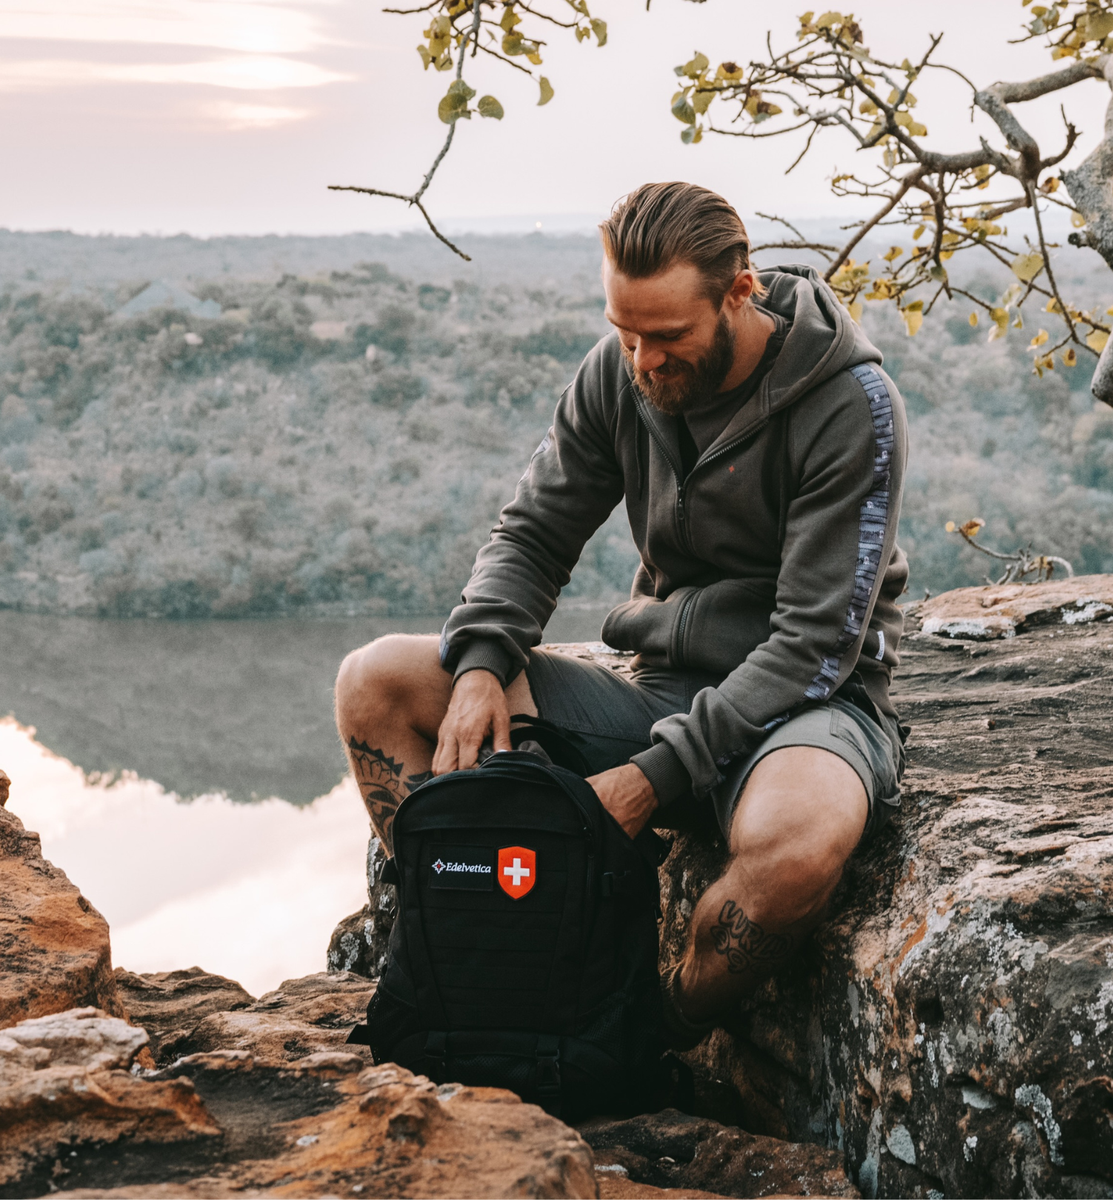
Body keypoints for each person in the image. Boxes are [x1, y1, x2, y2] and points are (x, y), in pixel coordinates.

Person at [334, 181, 908, 1046]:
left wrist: (652, 780)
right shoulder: (622, 373)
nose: (642, 360)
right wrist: (484, 660)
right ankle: (483, 955)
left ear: (739, 291)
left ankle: (639, 1026)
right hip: (654, 690)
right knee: (377, 683)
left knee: (797, 847)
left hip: (805, 714)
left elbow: (813, 648)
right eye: (624, 331)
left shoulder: (849, 406)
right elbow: (534, 533)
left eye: (668, 336)